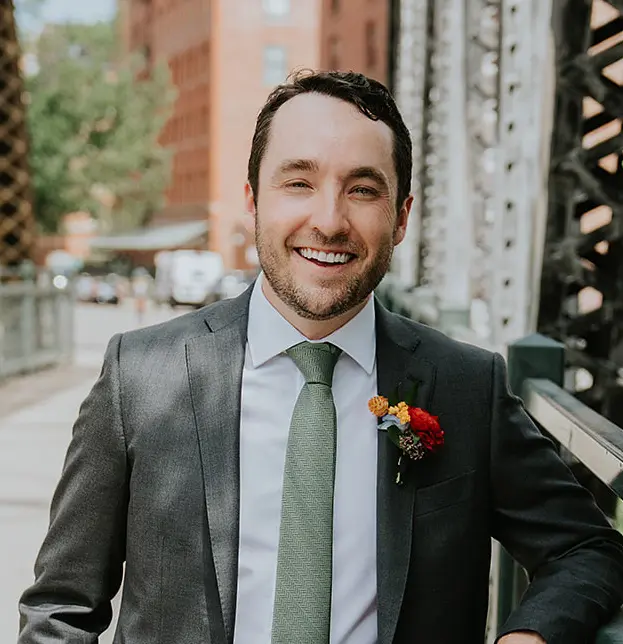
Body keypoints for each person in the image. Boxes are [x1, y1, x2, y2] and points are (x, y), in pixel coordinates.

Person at [18, 70, 623, 644]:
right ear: (253, 201)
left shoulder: (466, 386)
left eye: (362, 189)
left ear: (402, 217)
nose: (329, 220)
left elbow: (588, 548)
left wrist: (530, 633)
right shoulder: (141, 376)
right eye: (298, 183)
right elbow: (61, 608)